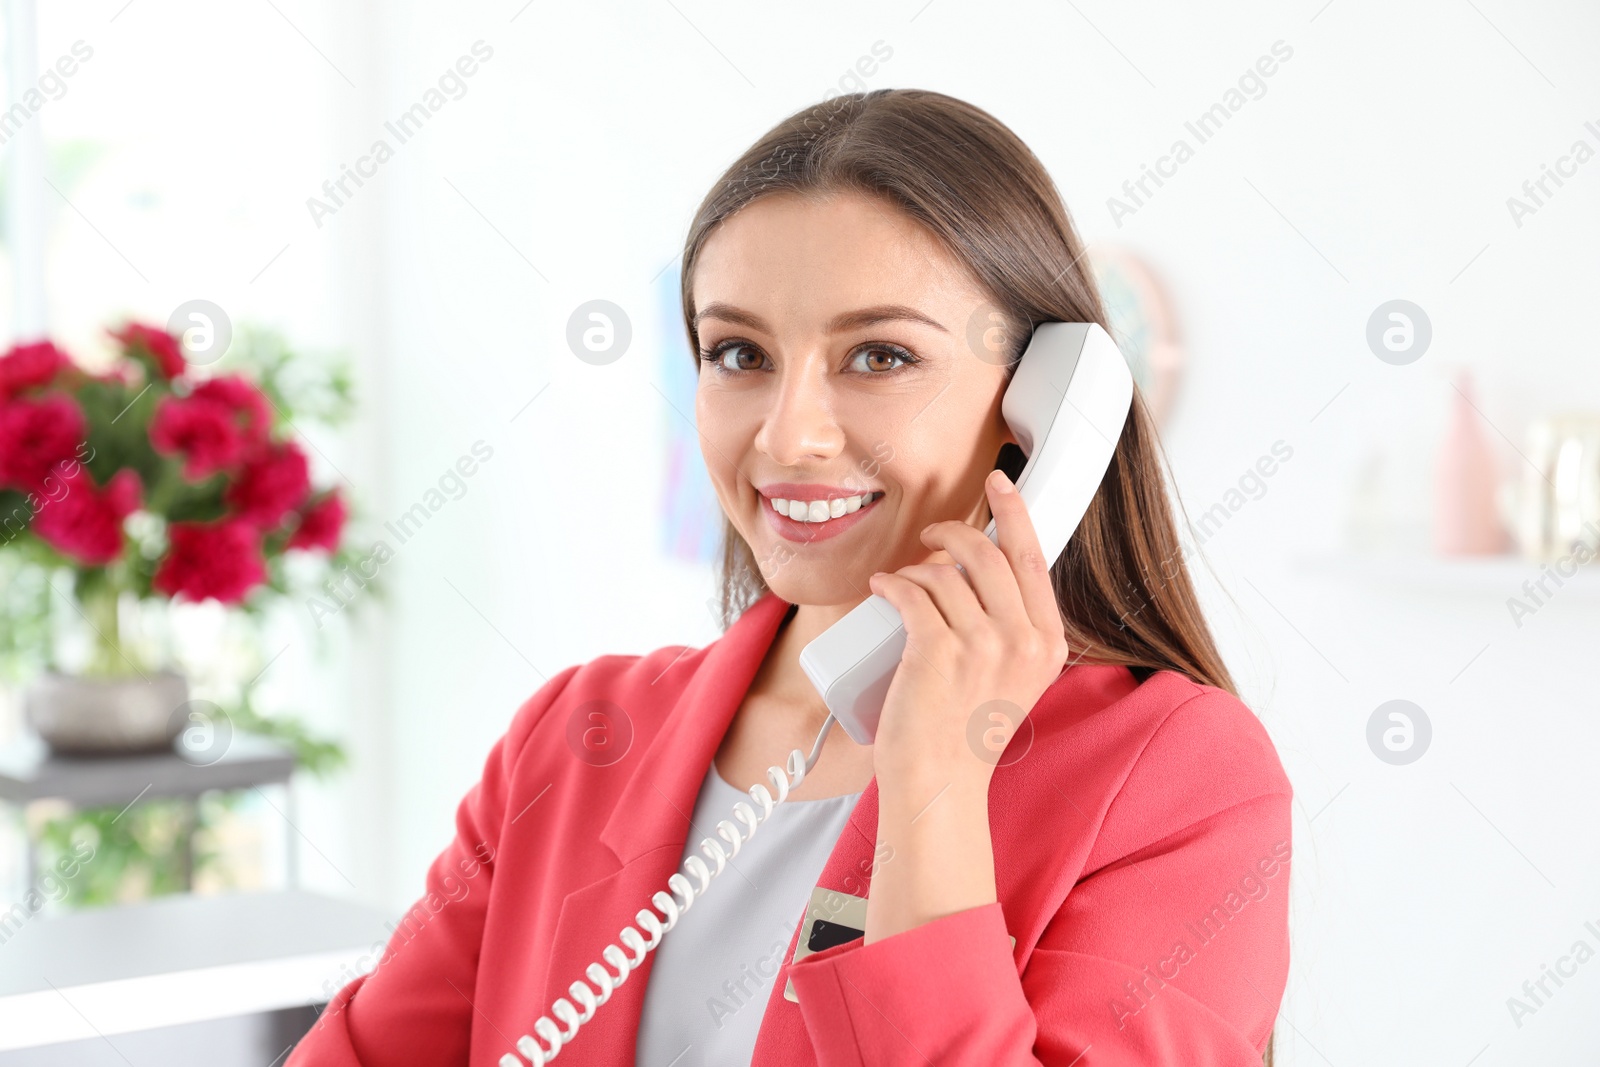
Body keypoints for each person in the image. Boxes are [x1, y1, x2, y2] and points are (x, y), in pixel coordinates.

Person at [288, 88, 1292, 1067]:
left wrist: (934, 786)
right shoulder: (575, 731)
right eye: (739, 352)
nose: (788, 432)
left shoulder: (1179, 777)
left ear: (1036, 403)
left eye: (880, 355)